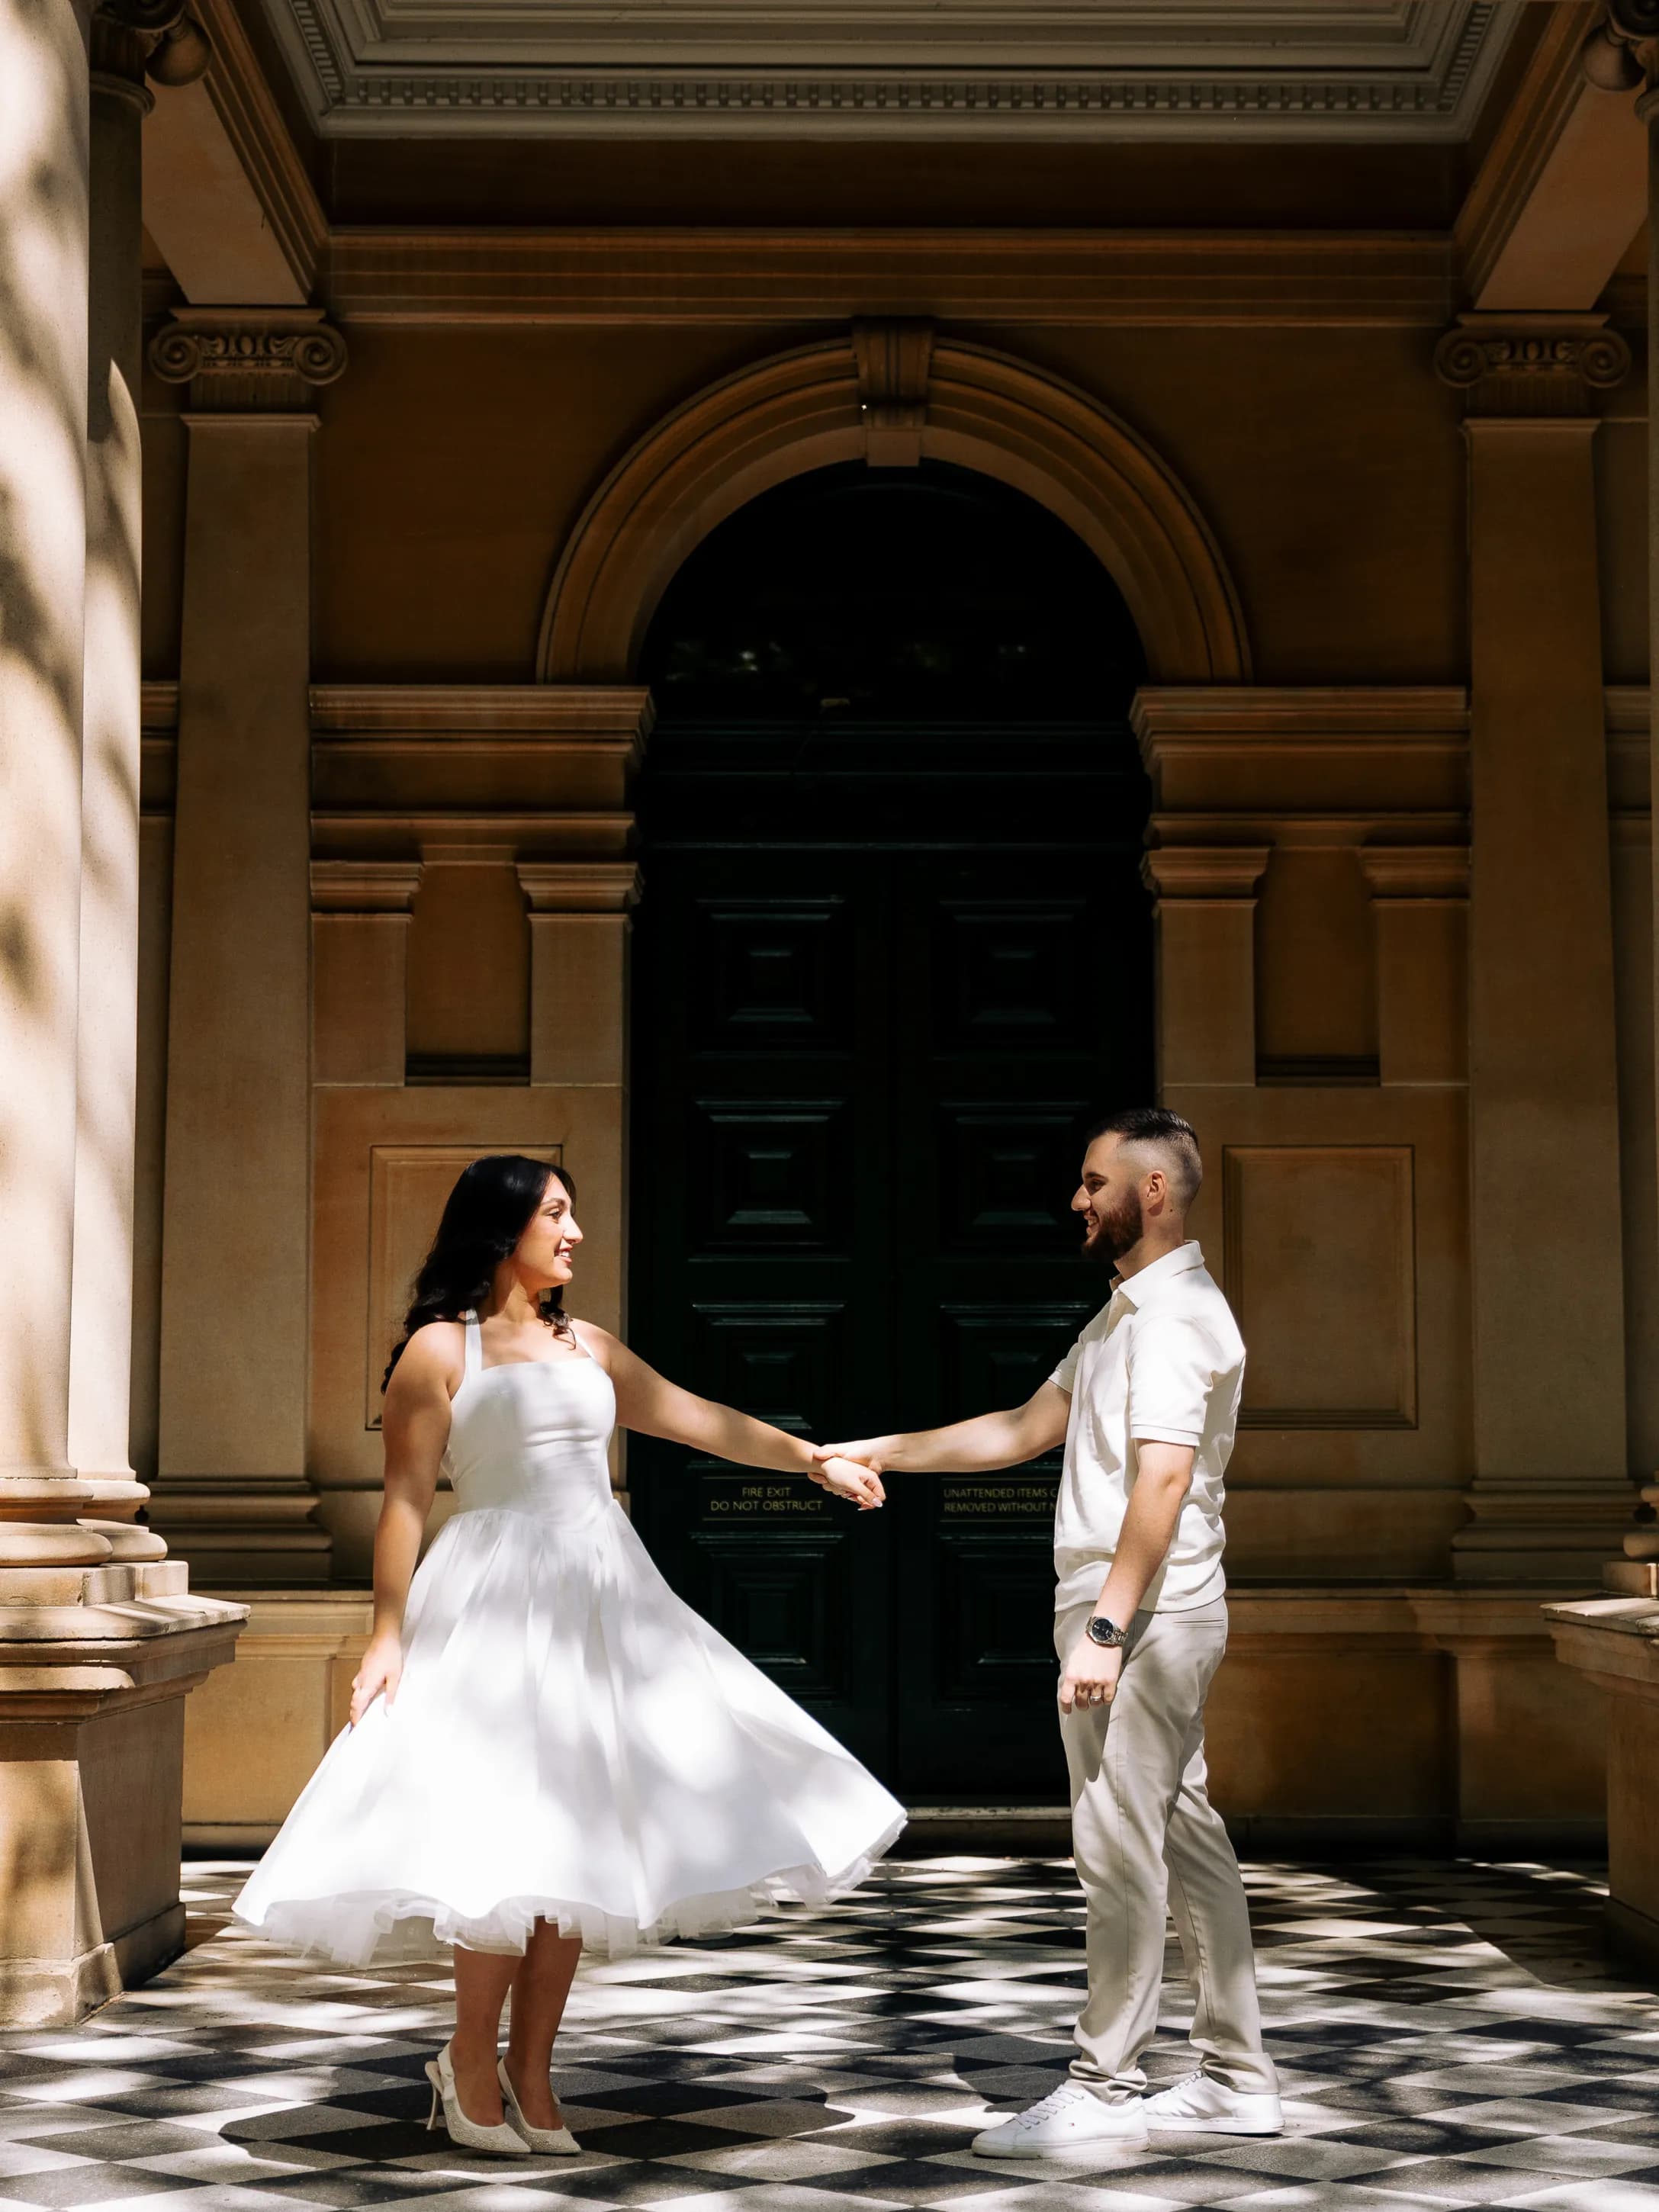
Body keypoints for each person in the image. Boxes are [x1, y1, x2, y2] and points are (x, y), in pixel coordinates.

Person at [235, 1153, 902, 2156]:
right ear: (502, 1230)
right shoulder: (438, 1352)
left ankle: (534, 2072)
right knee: (505, 1847)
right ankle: (468, 2063)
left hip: (605, 1606)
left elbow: (697, 1420)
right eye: (557, 1213)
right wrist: (386, 1635)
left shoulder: (589, 1344)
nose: (577, 1231)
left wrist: (812, 1459)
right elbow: (406, 1503)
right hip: (494, 1607)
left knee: (579, 1846)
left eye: (574, 1212)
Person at [813, 1106, 1279, 2153]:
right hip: (1151, 1610)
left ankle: (1104, 2091)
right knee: (1183, 1837)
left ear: (1151, 1191)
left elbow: (1161, 1481)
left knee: (1117, 1846)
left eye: (1093, 1181)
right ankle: (1239, 2078)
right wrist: (878, 1448)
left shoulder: (1168, 1321)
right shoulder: (1127, 1315)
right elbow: (1022, 1429)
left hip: (1144, 1614)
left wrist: (1107, 1627)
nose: (1076, 1200)